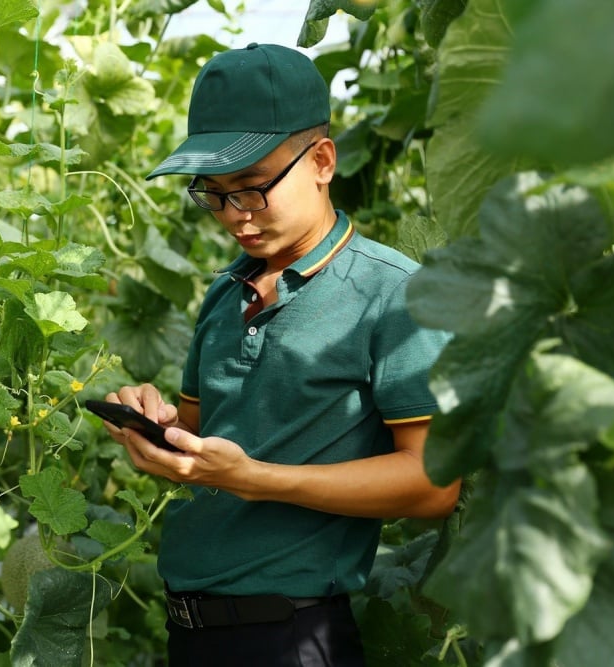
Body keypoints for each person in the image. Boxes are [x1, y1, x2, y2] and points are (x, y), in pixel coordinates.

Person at [98, 43, 461, 666]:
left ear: (322, 161)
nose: (234, 217)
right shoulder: (225, 289)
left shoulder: (393, 294)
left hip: (292, 635)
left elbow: (434, 484)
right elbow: (204, 434)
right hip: (191, 629)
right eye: (212, 194)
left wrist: (254, 480)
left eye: (250, 188)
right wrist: (155, 426)